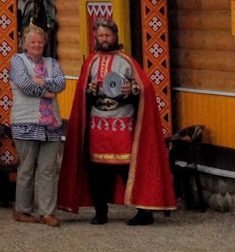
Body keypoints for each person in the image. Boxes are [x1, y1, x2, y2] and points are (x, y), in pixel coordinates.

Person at [58, 17, 176, 225]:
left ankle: (143, 211)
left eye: (107, 35)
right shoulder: (91, 62)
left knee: (127, 167)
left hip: (123, 123)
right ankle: (100, 211)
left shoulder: (127, 62)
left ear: (115, 36)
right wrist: (90, 92)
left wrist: (132, 90)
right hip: (98, 124)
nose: (104, 39)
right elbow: (82, 97)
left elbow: (145, 89)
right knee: (98, 171)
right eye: (100, 35)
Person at [7, 24, 67, 226]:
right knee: (27, 167)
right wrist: (45, 90)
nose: (37, 45)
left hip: (51, 124)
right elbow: (24, 85)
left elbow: (61, 84)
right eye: (32, 41)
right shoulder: (17, 61)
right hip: (26, 121)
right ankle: (22, 210)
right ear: (24, 44)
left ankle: (47, 212)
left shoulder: (52, 62)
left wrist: (39, 81)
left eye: (40, 42)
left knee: (48, 169)